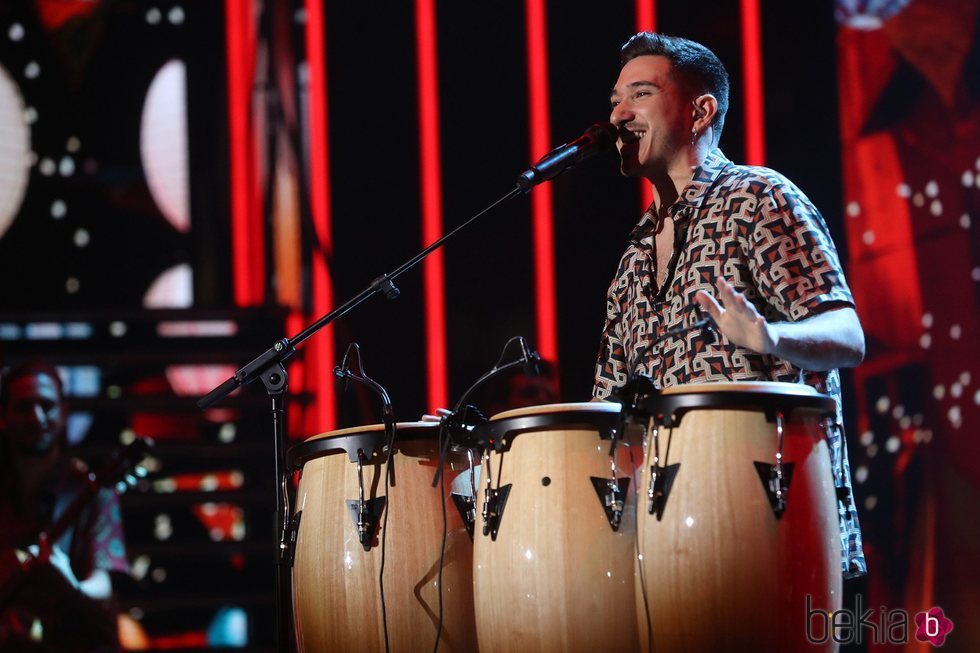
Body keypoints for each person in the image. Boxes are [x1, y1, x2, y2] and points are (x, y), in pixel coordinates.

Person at [593, 32, 866, 578]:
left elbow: (848, 335)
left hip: (776, 533)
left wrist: (772, 339)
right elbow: (608, 412)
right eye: (614, 100)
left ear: (700, 112)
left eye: (640, 95)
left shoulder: (758, 198)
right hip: (671, 551)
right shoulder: (634, 252)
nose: (618, 115)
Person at [0, 362, 128, 651]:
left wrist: (71, 586)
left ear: (64, 413)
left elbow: (103, 583)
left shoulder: (94, 492)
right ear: (3, 416)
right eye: (23, 407)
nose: (36, 417)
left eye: (47, 405)